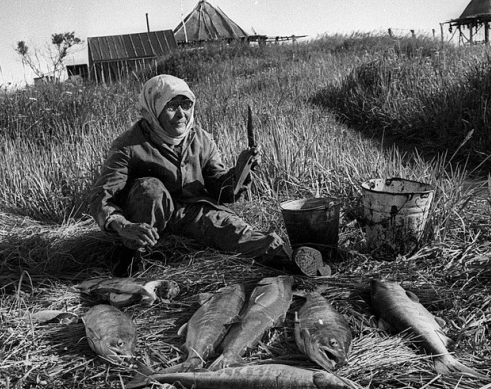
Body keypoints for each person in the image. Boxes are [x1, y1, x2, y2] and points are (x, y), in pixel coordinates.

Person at [87, 74, 331, 277]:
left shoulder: (200, 138)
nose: (181, 114)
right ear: (154, 109)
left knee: (239, 234)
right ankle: (131, 261)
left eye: (186, 105)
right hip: (147, 218)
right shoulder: (128, 145)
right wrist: (124, 225)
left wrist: (239, 171)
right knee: (150, 189)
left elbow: (221, 191)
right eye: (171, 106)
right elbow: (101, 197)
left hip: (193, 212)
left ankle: (298, 262)